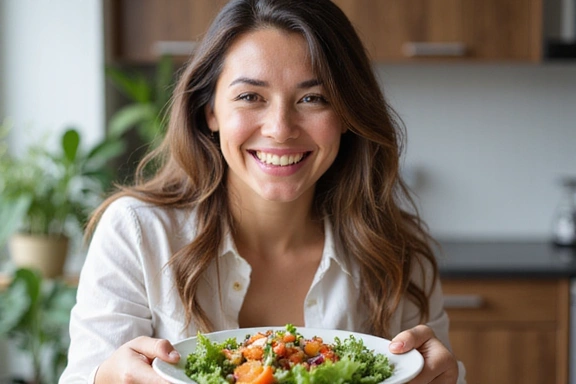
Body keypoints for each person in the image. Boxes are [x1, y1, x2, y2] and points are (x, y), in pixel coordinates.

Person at [60, 0, 466, 383]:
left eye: (313, 98)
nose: (279, 128)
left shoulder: (397, 252)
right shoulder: (136, 233)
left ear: (346, 114)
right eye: (250, 96)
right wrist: (103, 377)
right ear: (211, 110)